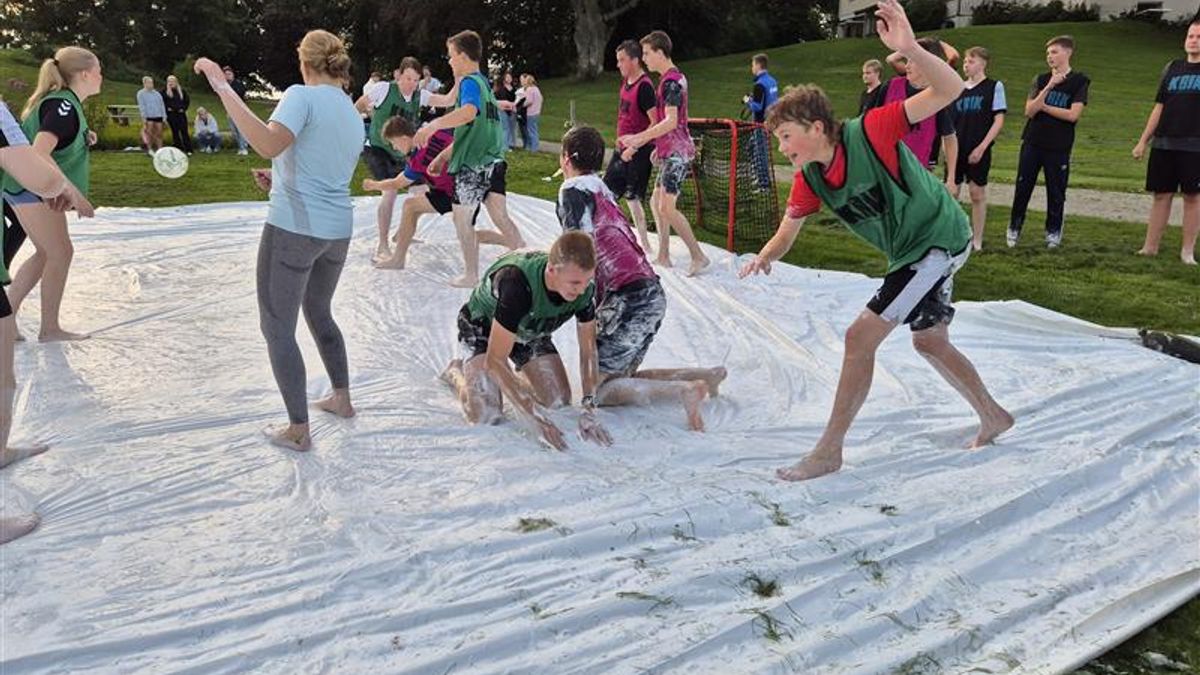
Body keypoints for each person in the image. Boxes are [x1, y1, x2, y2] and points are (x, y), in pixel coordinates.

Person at [739, 0, 1012, 483]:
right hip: (915, 252)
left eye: (786, 137)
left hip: (938, 241)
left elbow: (949, 88)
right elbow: (787, 232)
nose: (782, 149)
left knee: (858, 337)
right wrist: (764, 256)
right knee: (929, 341)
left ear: (817, 128)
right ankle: (993, 415)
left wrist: (908, 48)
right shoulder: (811, 178)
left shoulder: (872, 130)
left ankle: (828, 452)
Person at [193, 30, 364, 451]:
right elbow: (320, 163)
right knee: (320, 312)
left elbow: (267, 142)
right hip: (337, 230)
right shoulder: (348, 108)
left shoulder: (300, 96)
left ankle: (298, 430)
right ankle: (341, 398)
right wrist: (281, 175)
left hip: (295, 230)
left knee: (277, 327)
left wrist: (222, 87)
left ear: (305, 63)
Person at [558, 126, 726, 430]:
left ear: (565, 158)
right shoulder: (600, 188)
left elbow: (580, 247)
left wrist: (569, 295)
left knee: (598, 390)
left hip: (628, 297)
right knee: (621, 378)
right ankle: (704, 375)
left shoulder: (572, 190)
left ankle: (684, 392)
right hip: (649, 294)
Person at [0, 87, 93, 546]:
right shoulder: (58, 104)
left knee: (4, 375)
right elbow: (30, 162)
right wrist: (67, 190)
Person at [441, 232, 611, 450]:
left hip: (530, 330)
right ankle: (457, 373)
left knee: (558, 401)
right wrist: (534, 416)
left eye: (587, 281)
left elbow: (588, 350)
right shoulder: (516, 283)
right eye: (575, 283)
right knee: (485, 414)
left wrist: (589, 407)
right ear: (551, 270)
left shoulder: (584, 289)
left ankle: (515, 377)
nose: (581, 290)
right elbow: (495, 360)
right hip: (484, 325)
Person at [1, 46, 103, 342]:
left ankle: (9, 319)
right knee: (60, 252)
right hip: (33, 189)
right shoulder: (65, 106)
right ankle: (50, 329)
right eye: (99, 70)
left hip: (20, 187)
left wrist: (84, 138)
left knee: (48, 253)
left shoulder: (62, 104)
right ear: (85, 74)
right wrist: (73, 193)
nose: (101, 76)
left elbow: (48, 140)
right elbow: (39, 151)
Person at [412, 30, 525, 288]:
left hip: (473, 166)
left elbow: (468, 114)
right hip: (493, 160)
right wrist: (442, 156)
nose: (449, 61)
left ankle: (471, 275)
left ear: (463, 56)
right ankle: (522, 254)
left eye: (451, 56)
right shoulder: (483, 83)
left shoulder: (469, 83)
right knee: (500, 216)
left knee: (461, 219)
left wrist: (432, 126)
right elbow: (472, 128)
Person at [619, 31, 710, 276]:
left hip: (678, 153)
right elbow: (677, 121)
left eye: (647, 53)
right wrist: (659, 147)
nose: (644, 58)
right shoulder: (669, 80)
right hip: (671, 150)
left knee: (667, 207)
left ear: (660, 52)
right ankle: (664, 255)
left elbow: (670, 122)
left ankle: (698, 256)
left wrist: (639, 138)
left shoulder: (671, 82)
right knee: (655, 202)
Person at [1007, 36, 1089, 249]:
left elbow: (1073, 115)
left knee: (1056, 191)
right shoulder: (1041, 79)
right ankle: (1014, 228)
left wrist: (1044, 107)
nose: (1049, 57)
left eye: (1054, 52)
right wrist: (1049, 88)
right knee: (1023, 187)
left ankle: (1053, 233)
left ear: (1067, 53)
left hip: (1059, 146)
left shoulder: (1079, 81)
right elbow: (1029, 111)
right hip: (1033, 142)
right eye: (1048, 53)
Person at [1132, 19, 1200, 265]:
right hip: (1164, 144)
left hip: (1194, 146)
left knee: (1193, 198)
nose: (1193, 40)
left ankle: (1187, 252)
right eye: (1190, 35)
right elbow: (1159, 107)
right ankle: (1150, 248)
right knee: (1161, 195)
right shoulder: (1172, 68)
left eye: (1198, 36)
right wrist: (1143, 141)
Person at [354, 57, 434, 258]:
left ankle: (402, 233)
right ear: (399, 75)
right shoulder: (383, 89)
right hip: (378, 148)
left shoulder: (420, 95)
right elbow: (359, 105)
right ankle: (382, 244)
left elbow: (448, 100)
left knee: (423, 192)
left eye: (416, 80)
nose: (411, 84)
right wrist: (354, 124)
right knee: (389, 192)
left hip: (402, 152)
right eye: (408, 78)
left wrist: (461, 77)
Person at [363, 116, 455, 269]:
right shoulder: (434, 132)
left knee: (409, 206)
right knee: (418, 202)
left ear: (404, 138)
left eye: (394, 143)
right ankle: (402, 235)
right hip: (462, 184)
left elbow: (397, 183)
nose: (394, 148)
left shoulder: (416, 159)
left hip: (453, 193)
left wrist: (374, 185)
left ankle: (398, 259)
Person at [603, 40, 659, 255]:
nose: (618, 65)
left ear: (635, 60)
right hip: (621, 149)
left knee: (633, 199)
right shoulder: (626, 81)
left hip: (639, 151)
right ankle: (612, 236)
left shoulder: (644, 87)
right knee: (607, 194)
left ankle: (644, 246)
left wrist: (634, 147)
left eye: (622, 60)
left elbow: (655, 123)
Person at [884, 39, 959, 190]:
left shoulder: (939, 98)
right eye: (907, 60)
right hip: (885, 168)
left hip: (917, 171)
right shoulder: (890, 87)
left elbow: (950, 138)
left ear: (927, 65)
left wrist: (951, 178)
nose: (906, 66)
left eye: (912, 61)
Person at [951, 47, 1006, 251]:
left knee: (977, 193)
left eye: (971, 61)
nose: (966, 64)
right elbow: (949, 122)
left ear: (983, 64)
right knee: (952, 192)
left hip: (978, 148)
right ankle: (953, 237)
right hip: (956, 148)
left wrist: (982, 147)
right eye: (965, 61)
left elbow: (998, 120)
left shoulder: (993, 87)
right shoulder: (957, 87)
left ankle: (977, 240)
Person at [743, 53, 779, 192]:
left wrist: (748, 101)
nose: (751, 68)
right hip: (770, 120)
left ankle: (764, 184)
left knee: (760, 152)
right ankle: (758, 175)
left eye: (752, 65)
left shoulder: (759, 84)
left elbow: (757, 107)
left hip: (760, 123)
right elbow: (771, 100)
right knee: (751, 148)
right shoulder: (772, 81)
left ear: (758, 65)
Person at [222, 66, 250, 155]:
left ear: (233, 75)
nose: (227, 76)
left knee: (240, 129)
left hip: (239, 110)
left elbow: (240, 93)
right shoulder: (224, 85)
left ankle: (243, 148)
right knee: (234, 131)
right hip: (230, 110)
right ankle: (241, 146)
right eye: (225, 74)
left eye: (229, 74)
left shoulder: (238, 84)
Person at [163, 74, 193, 154]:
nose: (171, 83)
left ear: (176, 82)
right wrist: (167, 109)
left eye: (172, 81)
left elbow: (187, 101)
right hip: (171, 115)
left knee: (184, 131)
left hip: (181, 114)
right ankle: (179, 148)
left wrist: (183, 109)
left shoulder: (182, 91)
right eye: (169, 81)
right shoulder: (164, 92)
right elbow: (162, 103)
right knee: (175, 132)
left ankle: (189, 149)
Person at [137, 76, 166, 155]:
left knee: (159, 134)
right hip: (149, 117)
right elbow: (142, 106)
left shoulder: (157, 94)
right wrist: (144, 118)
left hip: (158, 116)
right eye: (149, 82)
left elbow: (162, 105)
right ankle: (149, 150)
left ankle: (160, 150)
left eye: (152, 82)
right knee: (149, 134)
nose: (151, 84)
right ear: (145, 83)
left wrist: (164, 116)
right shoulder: (141, 93)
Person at [494, 71, 518, 149]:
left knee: (512, 127)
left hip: (512, 110)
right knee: (505, 127)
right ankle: (504, 146)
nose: (509, 79)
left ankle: (512, 144)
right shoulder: (500, 89)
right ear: (504, 79)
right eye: (507, 77)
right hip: (503, 110)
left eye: (510, 77)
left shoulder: (514, 89)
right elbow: (496, 99)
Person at [519, 74, 542, 152]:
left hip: (531, 113)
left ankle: (533, 148)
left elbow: (529, 101)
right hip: (537, 112)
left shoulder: (529, 89)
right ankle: (535, 146)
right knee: (535, 130)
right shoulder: (536, 89)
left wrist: (522, 105)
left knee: (531, 130)